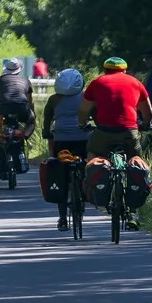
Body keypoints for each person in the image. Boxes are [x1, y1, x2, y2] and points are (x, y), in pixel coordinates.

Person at [41, 68, 89, 230]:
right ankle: (84, 189)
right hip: (84, 141)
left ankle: (62, 218)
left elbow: (47, 119)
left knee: (60, 176)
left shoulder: (54, 100)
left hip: (61, 143)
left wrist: (46, 132)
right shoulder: (85, 98)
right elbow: (94, 115)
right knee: (86, 165)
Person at [80, 56, 152, 161]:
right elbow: (148, 112)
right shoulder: (136, 83)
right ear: (125, 70)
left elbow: (83, 110)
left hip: (104, 131)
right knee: (135, 159)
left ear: (104, 70)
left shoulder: (96, 83)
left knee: (93, 154)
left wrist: (82, 124)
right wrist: (145, 124)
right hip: (129, 131)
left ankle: (93, 175)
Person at [0, 56, 36, 128]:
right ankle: (24, 137)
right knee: (31, 123)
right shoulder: (26, 81)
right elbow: (30, 101)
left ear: (6, 69)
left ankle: (2, 137)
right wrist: (32, 113)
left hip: (5, 107)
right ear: (19, 69)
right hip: (22, 107)